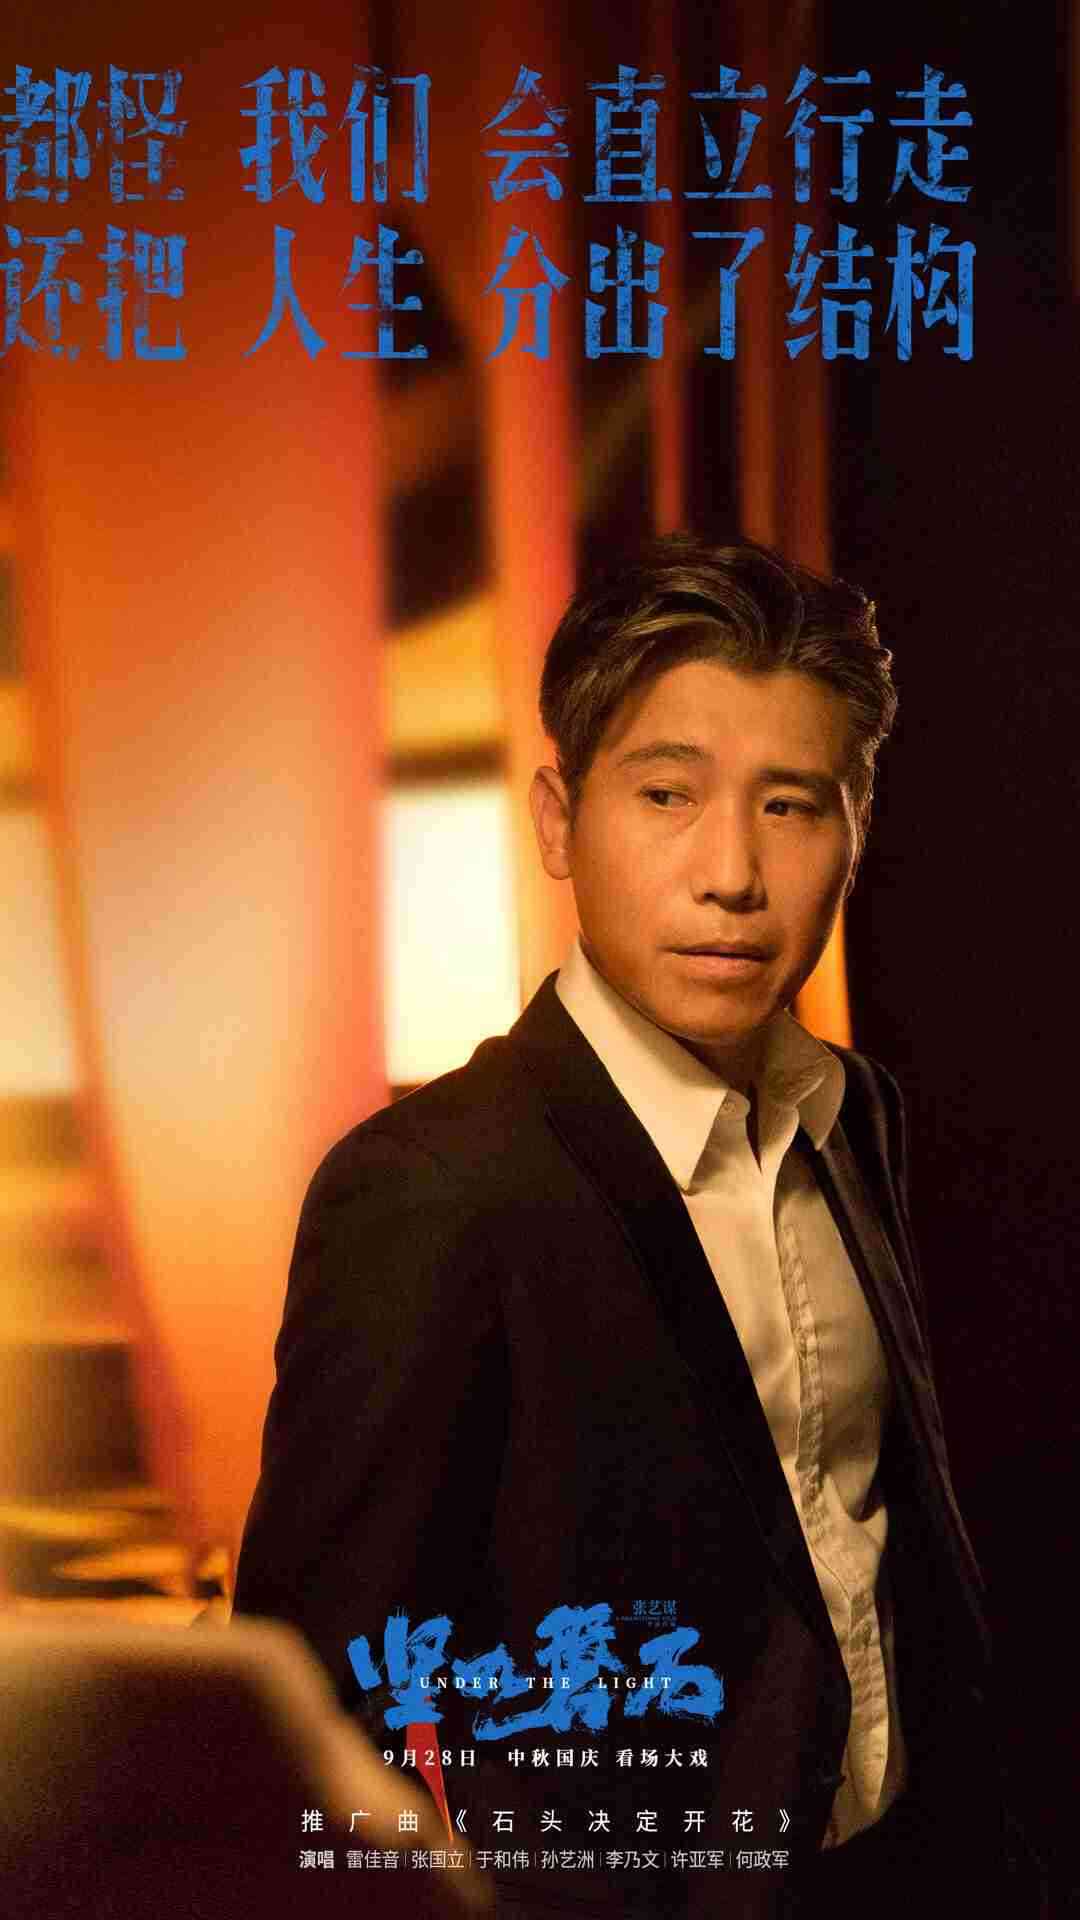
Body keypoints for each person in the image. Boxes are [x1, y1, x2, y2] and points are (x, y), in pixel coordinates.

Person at [233, 536, 1030, 1917]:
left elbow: (882, 1540)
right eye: (667, 794)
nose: (733, 872)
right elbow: (310, 1714)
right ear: (558, 821)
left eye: (791, 805)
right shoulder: (434, 1186)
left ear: (857, 824)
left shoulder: (856, 1116)